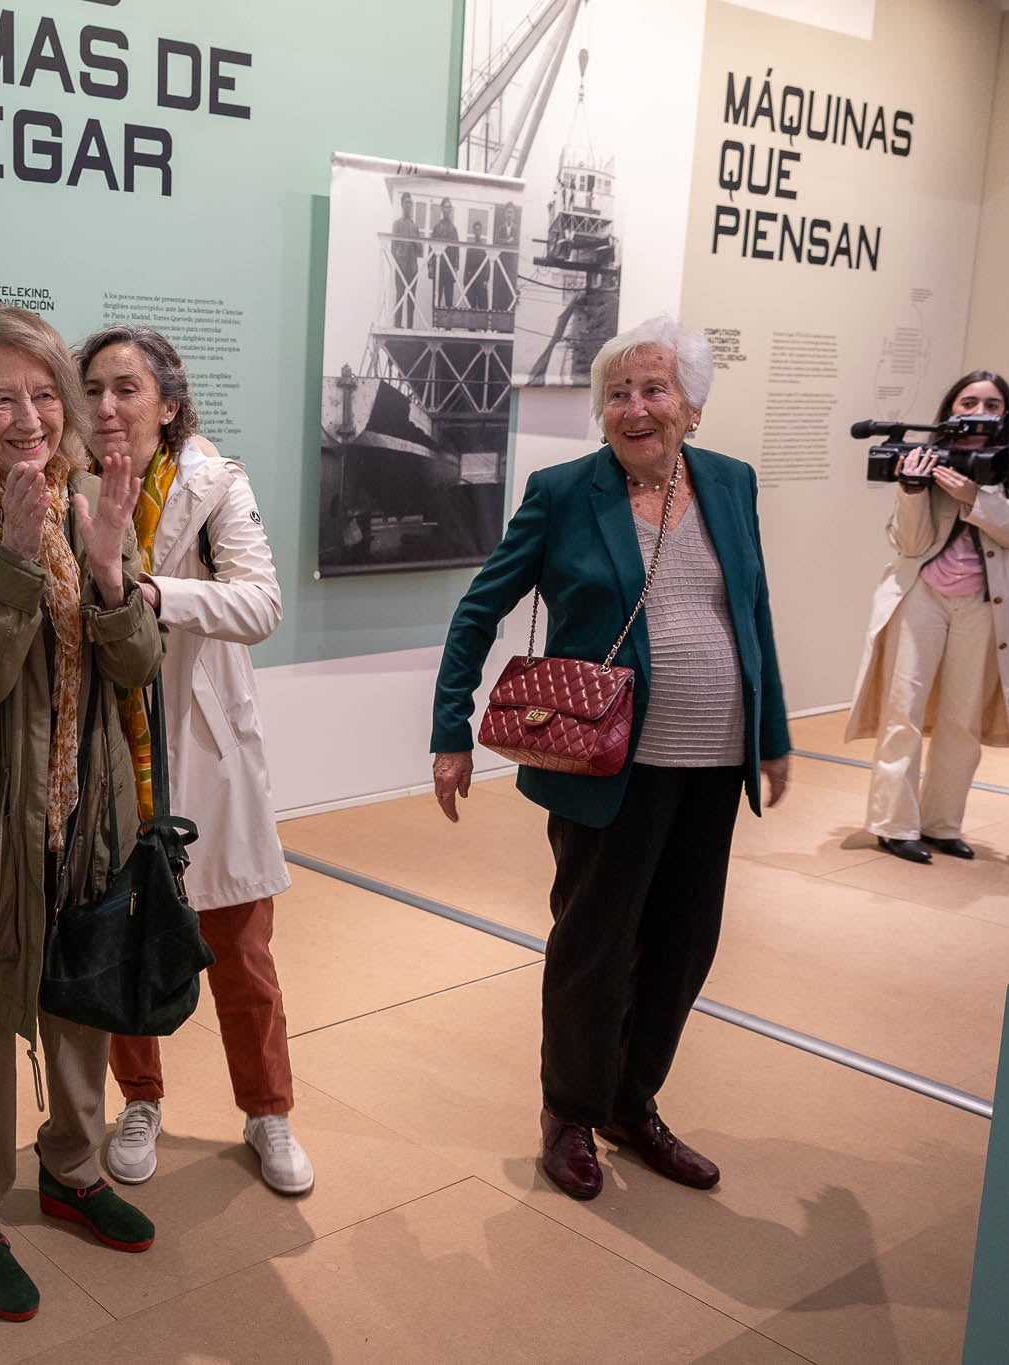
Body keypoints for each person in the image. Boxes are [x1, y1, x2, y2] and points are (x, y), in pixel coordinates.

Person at [429, 315, 792, 1203]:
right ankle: (570, 1112)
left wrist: (773, 731)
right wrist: (450, 729)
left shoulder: (731, 484)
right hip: (605, 767)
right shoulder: (563, 493)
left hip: (711, 767)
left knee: (681, 944)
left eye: (654, 388)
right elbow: (478, 610)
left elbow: (754, 611)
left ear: (691, 406)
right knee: (595, 943)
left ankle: (635, 1102)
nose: (635, 407)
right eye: (619, 393)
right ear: (601, 411)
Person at [0, 305, 164, 1323]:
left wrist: (104, 572)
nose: (29, 415)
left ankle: (71, 1169)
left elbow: (139, 669)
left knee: (79, 1009)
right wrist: (11, 556)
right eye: (0, 397)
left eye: (45, 392)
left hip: (84, 815)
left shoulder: (93, 502)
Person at [75, 325, 310, 1197]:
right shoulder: (68, 485)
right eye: (93, 387)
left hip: (206, 745)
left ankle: (268, 1109)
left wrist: (152, 592)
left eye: (127, 388)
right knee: (121, 931)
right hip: (111, 741)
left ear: (168, 405)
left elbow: (260, 602)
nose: (106, 406)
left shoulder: (216, 485)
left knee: (240, 948)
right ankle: (140, 1098)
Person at [847, 371, 1009, 862]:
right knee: (905, 710)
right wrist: (913, 491)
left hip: (986, 604)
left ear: (1005, 413)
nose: (979, 413)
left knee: (962, 717)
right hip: (922, 597)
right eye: (969, 402)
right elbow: (911, 545)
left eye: (991, 404)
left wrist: (974, 498)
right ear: (949, 409)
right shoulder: (927, 453)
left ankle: (942, 823)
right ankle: (894, 824)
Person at [391, 192, 424, 328]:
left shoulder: (415, 226)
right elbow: (393, 247)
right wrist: (400, 261)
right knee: (400, 295)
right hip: (401, 266)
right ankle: (397, 324)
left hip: (413, 267)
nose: (408, 205)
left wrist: (416, 243)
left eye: (410, 203)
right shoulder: (397, 224)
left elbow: (421, 251)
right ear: (402, 205)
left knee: (412, 297)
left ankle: (410, 325)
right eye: (406, 203)